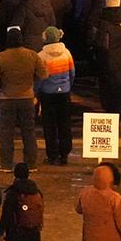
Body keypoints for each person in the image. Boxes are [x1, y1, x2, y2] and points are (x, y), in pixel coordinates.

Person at [0, 27, 47, 171]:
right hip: (27, 98)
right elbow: (43, 74)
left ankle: (6, 164)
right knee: (29, 132)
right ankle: (31, 163)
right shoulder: (32, 55)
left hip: (7, 98)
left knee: (6, 133)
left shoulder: (1, 57)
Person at [36, 26, 75, 165]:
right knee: (64, 124)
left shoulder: (41, 56)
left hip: (48, 94)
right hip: (64, 93)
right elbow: (72, 73)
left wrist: (37, 92)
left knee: (50, 126)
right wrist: (67, 86)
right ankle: (64, 154)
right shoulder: (67, 53)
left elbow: (40, 78)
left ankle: (52, 155)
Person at [0, 163, 43, 241]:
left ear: (15, 175)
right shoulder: (37, 192)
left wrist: (0, 232)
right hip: (34, 235)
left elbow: (6, 216)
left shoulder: (13, 193)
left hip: (18, 236)